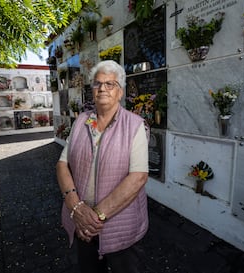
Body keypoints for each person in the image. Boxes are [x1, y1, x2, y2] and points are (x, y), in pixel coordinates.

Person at [56, 60, 150, 273]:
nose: (103, 89)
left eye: (110, 84)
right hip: (81, 218)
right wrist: (75, 205)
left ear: (120, 91)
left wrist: (94, 218)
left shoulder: (135, 125)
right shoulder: (81, 121)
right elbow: (62, 164)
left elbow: (138, 177)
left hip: (118, 226)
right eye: (98, 84)